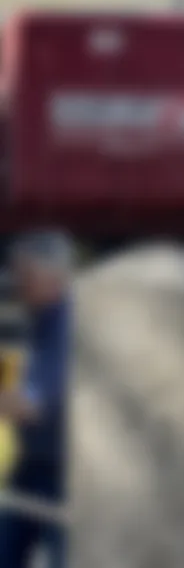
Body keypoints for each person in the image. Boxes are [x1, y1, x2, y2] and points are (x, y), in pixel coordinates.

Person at [0, 231, 75, 568]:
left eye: (25, 276)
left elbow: (36, 404)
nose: (19, 285)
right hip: (38, 465)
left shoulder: (66, 324)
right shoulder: (43, 321)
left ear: (52, 277)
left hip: (65, 472)